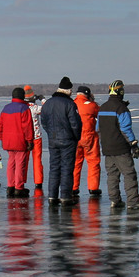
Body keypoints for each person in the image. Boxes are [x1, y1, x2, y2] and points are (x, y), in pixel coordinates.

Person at [98, 80, 139, 209]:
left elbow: (97, 128)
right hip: (120, 148)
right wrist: (133, 144)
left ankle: (114, 200)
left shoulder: (102, 108)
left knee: (112, 175)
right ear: (120, 92)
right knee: (129, 173)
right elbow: (125, 129)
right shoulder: (121, 108)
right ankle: (133, 201)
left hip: (107, 148)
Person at [39, 76, 82, 206]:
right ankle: (65, 196)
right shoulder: (70, 104)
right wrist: (76, 137)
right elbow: (75, 124)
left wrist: (51, 134)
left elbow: (44, 122)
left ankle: (52, 196)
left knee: (54, 168)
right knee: (67, 168)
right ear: (68, 90)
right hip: (68, 140)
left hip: (53, 140)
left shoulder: (47, 104)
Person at [0, 87, 33, 196]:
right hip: (20, 141)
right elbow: (27, 127)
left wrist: (1, 138)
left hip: (8, 141)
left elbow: (0, 126)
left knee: (11, 163)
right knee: (20, 163)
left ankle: (10, 186)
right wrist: (30, 141)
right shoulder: (24, 108)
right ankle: (19, 187)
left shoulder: (5, 108)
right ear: (23, 96)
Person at [71, 86, 102, 197]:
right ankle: (93, 188)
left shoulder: (71, 104)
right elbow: (100, 113)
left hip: (75, 138)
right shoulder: (91, 105)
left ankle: (73, 187)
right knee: (93, 162)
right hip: (89, 138)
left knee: (75, 163)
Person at [23, 84, 45, 190]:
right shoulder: (34, 108)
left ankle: (21, 180)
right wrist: (42, 99)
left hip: (24, 138)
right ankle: (38, 182)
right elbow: (46, 109)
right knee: (37, 160)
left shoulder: (21, 108)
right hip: (36, 138)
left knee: (23, 160)